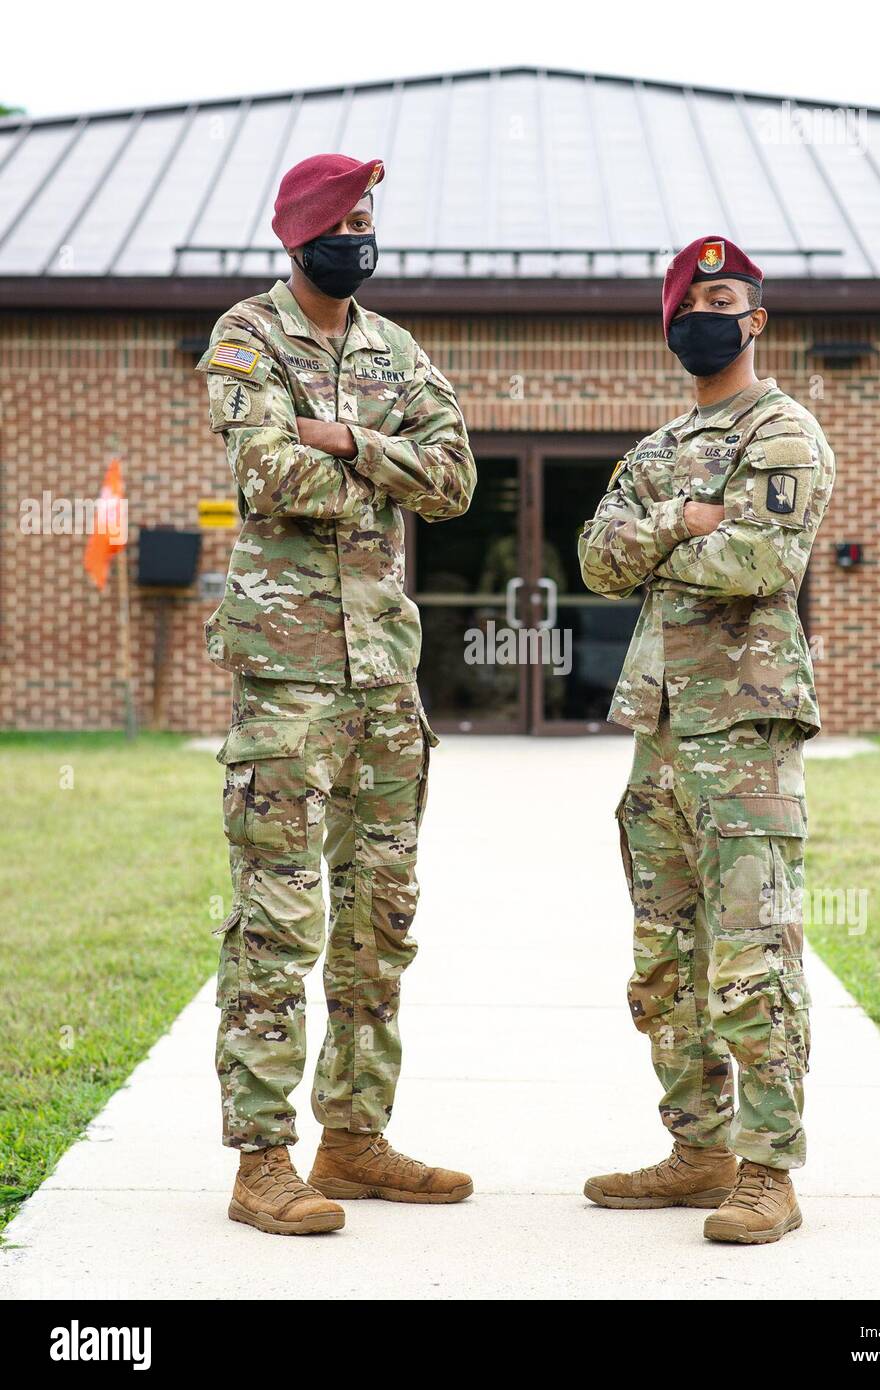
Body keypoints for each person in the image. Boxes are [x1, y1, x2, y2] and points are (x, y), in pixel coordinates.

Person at [197, 153, 477, 1235]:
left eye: (370, 219)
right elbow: (270, 473)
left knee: (378, 917)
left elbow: (455, 477)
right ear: (298, 232)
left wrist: (352, 437)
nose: (359, 235)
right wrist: (382, 461)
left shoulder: (393, 348)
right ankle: (261, 1158)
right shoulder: (245, 337)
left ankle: (352, 1137)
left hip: (384, 679)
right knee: (277, 919)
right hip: (290, 673)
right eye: (344, 220)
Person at [578, 236, 835, 1244]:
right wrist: (687, 520)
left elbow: (761, 559)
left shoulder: (783, 430)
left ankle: (768, 1169)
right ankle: (698, 1150)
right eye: (688, 299)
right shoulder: (654, 450)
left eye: (720, 296)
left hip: (746, 729)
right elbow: (598, 557)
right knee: (664, 959)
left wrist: (671, 534)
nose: (703, 312)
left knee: (751, 955)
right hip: (661, 730)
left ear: (754, 319)